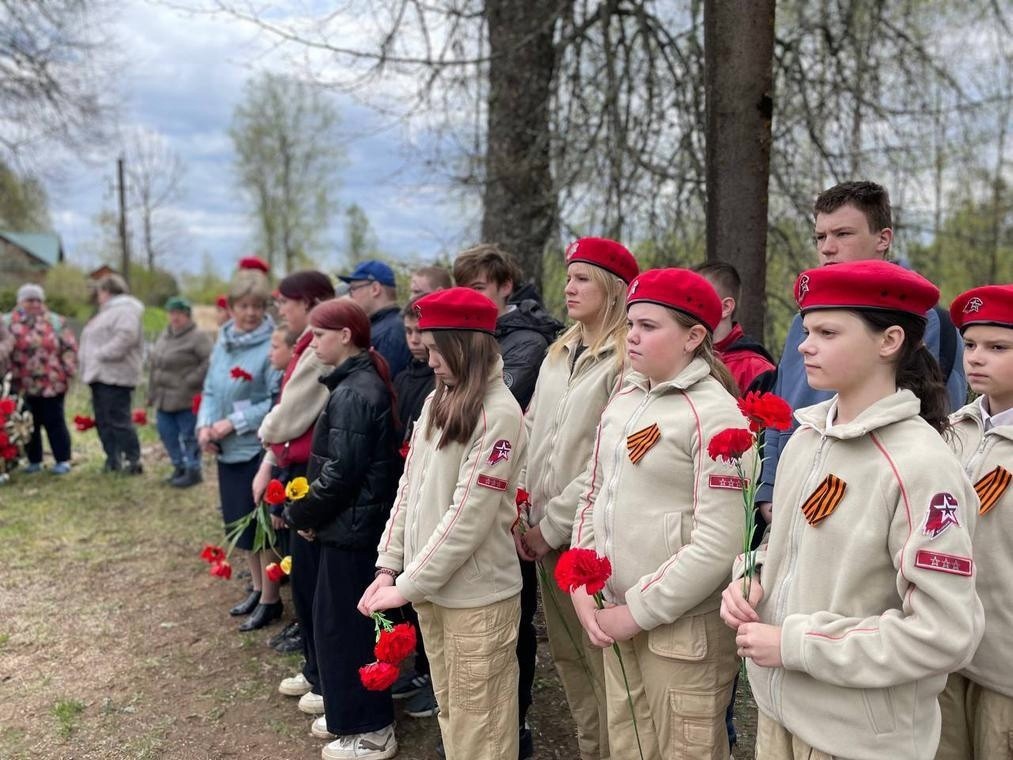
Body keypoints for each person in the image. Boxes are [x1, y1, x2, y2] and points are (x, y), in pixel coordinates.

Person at [721, 260, 983, 760]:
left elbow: (944, 632)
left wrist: (796, 644)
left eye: (827, 332)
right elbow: (783, 550)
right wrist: (749, 576)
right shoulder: (805, 438)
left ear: (888, 342)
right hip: (782, 717)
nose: (803, 345)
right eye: (806, 329)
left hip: (857, 740)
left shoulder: (920, 464)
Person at [568, 268, 747, 760]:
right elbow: (594, 495)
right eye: (630, 325)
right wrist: (583, 583)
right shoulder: (625, 398)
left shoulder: (716, 414)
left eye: (649, 326)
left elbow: (719, 543)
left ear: (693, 337)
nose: (633, 337)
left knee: (682, 749)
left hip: (680, 631)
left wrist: (638, 612)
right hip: (613, 611)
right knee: (629, 746)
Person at [360, 287, 525, 760]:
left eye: (436, 349)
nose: (428, 359)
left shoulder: (498, 414)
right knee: (453, 713)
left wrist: (408, 584)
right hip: (434, 591)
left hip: (477, 599)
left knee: (483, 728)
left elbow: (467, 516)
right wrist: (387, 566)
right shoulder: (438, 402)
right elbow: (409, 490)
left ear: (465, 347)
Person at [757, 181, 966, 526]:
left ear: (883, 238)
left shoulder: (927, 322)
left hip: (871, 504)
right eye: (820, 237)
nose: (828, 248)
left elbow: (944, 421)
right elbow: (784, 410)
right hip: (796, 487)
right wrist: (769, 489)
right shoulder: (802, 322)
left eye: (842, 234)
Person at [513, 237, 638, 760]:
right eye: (568, 276)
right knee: (567, 657)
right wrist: (522, 509)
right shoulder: (559, 351)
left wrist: (551, 527)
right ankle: (592, 749)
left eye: (583, 277)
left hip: (587, 536)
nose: (569, 287)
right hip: (541, 532)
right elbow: (530, 429)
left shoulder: (623, 358)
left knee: (602, 662)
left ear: (612, 289)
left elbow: (604, 462)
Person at [453, 244, 562, 756]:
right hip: (479, 482)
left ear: (503, 286)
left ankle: (511, 725)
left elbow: (497, 405)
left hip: (509, 490)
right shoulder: (478, 335)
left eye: (478, 288)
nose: (471, 298)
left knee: (508, 619)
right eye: (464, 288)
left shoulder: (525, 342)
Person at [284, 298, 400, 760]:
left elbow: (341, 474)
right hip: (346, 528)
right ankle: (348, 714)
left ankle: (372, 730)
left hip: (354, 533)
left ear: (346, 336)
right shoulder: (353, 384)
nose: (312, 344)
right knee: (336, 627)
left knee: (349, 633)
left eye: (319, 335)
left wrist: (304, 514)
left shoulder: (356, 391)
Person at [936, 284, 1013, 760]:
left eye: (998, 347)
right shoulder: (954, 430)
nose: (976, 358)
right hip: (944, 652)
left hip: (1006, 667)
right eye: (969, 345)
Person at [253, 271, 335, 709]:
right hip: (294, 461)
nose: (280, 310)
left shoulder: (318, 349)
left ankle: (323, 673)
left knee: (312, 573)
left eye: (286, 302)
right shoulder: (307, 344)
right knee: (301, 571)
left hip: (309, 464)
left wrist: (267, 438)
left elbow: (294, 411)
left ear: (309, 301)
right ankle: (314, 665)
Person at [197, 269, 281, 631]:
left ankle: (271, 598)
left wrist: (234, 422)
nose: (249, 313)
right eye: (243, 306)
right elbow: (212, 389)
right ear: (230, 308)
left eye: (257, 306)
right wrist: (205, 425)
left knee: (261, 527)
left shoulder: (270, 345)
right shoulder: (223, 341)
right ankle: (256, 586)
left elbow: (275, 400)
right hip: (225, 448)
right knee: (238, 525)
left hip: (255, 448)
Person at [388, 297, 439, 718]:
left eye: (420, 333)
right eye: (407, 333)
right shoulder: (407, 378)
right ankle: (422, 668)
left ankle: (428, 672)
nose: (415, 342)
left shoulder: (439, 386)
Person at [4, 283, 78, 474]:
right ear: (20, 302)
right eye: (30, 300)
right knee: (28, 424)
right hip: (21, 383)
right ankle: (34, 461)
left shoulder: (54, 321)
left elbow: (69, 347)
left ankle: (62, 460)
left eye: (38, 300)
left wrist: (69, 370)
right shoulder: (8, 322)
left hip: (52, 382)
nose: (35, 304)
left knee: (55, 421)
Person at [79, 273, 145, 474]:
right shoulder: (107, 311)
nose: (98, 295)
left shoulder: (125, 310)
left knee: (118, 420)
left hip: (116, 375)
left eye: (99, 291)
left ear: (106, 291)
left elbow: (126, 336)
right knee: (104, 420)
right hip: (100, 375)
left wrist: (102, 353)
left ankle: (132, 460)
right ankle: (113, 459)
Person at [148, 296, 212, 487]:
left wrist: (190, 380)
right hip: (163, 397)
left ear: (187, 315)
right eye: (172, 313)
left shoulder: (198, 337)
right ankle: (179, 465)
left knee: (189, 435)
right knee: (166, 432)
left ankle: (194, 469)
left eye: (179, 314)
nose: (175, 317)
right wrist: (151, 393)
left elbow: (210, 361)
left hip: (186, 397)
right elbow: (155, 366)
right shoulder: (165, 335)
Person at [694, 261, 776, 394]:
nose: (687, 305)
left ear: (725, 307)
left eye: (698, 296)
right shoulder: (681, 358)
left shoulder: (757, 370)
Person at [339, 260, 411, 378]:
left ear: (375, 289)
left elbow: (383, 386)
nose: (350, 296)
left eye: (353, 289)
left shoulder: (390, 332)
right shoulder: (383, 326)